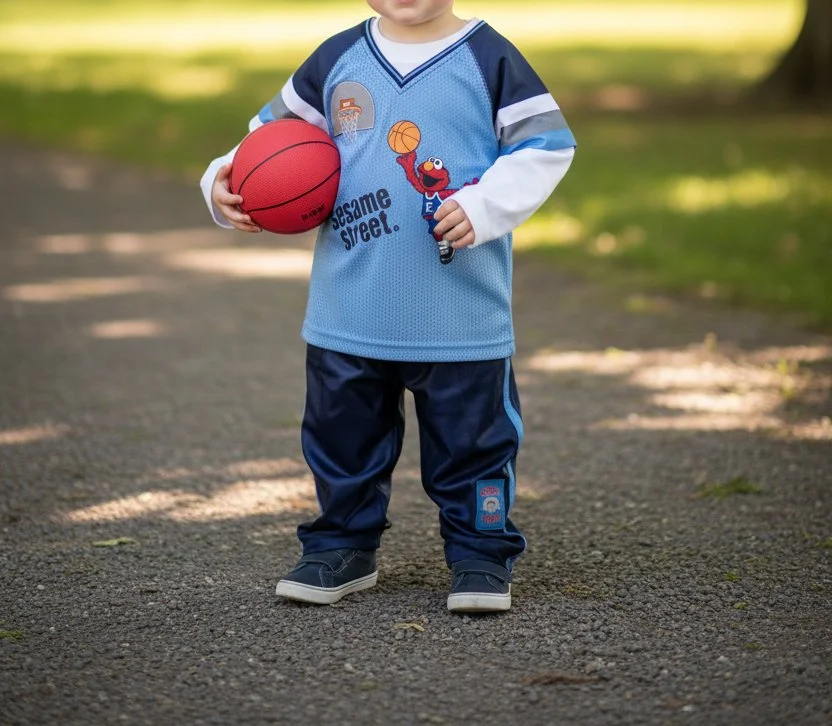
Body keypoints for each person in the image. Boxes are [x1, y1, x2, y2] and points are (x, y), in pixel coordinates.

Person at [200, 0, 576, 613]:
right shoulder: (335, 59)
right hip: (349, 310)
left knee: (474, 446)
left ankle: (481, 554)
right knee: (341, 441)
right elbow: (269, 142)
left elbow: (547, 147)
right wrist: (222, 179)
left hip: (460, 317)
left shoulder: (489, 57)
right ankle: (341, 546)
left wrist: (484, 205)